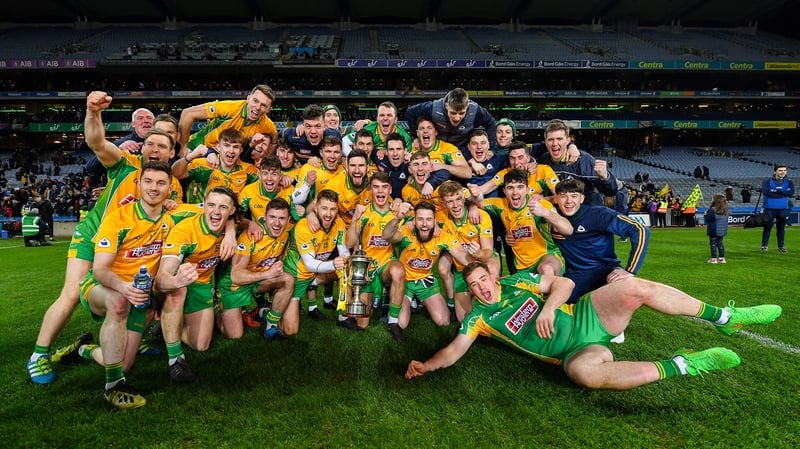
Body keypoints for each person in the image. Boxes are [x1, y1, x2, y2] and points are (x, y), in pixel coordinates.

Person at [405, 261, 782, 391]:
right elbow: (453, 351)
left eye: (483, 280)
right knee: (583, 374)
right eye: (473, 286)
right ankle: (686, 363)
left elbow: (564, 284)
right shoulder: (479, 319)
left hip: (585, 315)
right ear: (470, 292)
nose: (481, 287)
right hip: (576, 350)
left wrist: (551, 308)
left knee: (632, 287)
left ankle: (726, 319)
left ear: (492, 275)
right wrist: (427, 364)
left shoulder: (517, 282)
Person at [25, 91, 185, 385]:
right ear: (142, 147)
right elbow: (96, 142)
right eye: (149, 143)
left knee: (140, 297)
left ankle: (89, 348)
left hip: (128, 252)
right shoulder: (125, 163)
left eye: (162, 146)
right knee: (72, 293)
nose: (154, 149)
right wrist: (92, 112)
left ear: (171, 153)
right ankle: (38, 355)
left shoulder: (172, 187)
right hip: (94, 237)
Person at [70, 161, 181, 410]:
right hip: (104, 286)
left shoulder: (172, 221)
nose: (154, 187)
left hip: (139, 296)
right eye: (148, 181)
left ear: (169, 188)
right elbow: (99, 269)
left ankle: (84, 349)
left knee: (122, 363)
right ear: (139, 184)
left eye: (161, 183)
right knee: (119, 304)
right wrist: (123, 287)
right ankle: (114, 388)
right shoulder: (118, 218)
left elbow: (211, 211)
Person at [156, 187, 239, 383]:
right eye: (210, 205)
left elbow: (244, 221)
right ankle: (175, 359)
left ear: (232, 211)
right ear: (203, 205)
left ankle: (168, 326)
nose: (216, 212)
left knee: (201, 345)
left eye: (222, 207)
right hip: (175, 284)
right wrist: (177, 280)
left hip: (201, 285)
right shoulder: (185, 230)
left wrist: (230, 232)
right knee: (178, 290)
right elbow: (161, 277)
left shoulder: (231, 223)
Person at [552, 178, 650, 305]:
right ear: (556, 199)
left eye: (574, 196)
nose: (569, 201)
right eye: (563, 196)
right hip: (575, 275)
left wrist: (630, 270)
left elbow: (640, 229)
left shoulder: (599, 214)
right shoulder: (552, 219)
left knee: (623, 296)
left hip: (606, 270)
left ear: (581, 198)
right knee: (556, 303)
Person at [216, 198, 294, 340]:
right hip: (233, 285)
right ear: (264, 218)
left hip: (258, 280)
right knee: (234, 334)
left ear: (288, 219)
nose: (277, 223)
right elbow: (236, 276)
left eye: (282, 218)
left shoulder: (286, 233)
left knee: (288, 279)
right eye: (272, 217)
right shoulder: (251, 235)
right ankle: (216, 312)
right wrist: (268, 273)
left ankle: (271, 325)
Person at [382, 201, 469, 328]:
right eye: (420, 219)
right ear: (414, 220)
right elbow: (386, 236)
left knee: (444, 321)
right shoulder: (406, 232)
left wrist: (482, 268)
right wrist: (397, 218)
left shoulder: (442, 236)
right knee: (401, 323)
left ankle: (417, 300)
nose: (424, 224)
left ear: (434, 221)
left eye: (428, 219)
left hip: (425, 282)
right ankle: (393, 292)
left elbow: (462, 255)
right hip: (404, 282)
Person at [345, 172, 410, 340]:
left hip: (386, 264)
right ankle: (380, 301)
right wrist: (354, 219)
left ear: (390, 190)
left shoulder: (398, 213)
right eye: (376, 187)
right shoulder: (364, 212)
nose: (380, 191)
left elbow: (400, 238)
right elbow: (351, 243)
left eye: (384, 187)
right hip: (367, 269)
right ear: (370, 190)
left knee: (398, 271)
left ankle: (393, 321)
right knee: (362, 324)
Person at [473, 169, 573, 276]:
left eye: (520, 187)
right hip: (521, 267)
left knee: (546, 269)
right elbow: (475, 201)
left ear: (527, 189)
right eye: (510, 188)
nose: (515, 192)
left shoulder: (539, 205)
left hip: (546, 257)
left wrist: (545, 213)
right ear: (504, 191)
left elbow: (568, 230)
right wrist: (472, 207)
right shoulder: (500, 205)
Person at [282, 189, 349, 325]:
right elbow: (310, 264)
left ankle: (344, 317)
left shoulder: (339, 223)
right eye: (324, 208)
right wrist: (334, 264)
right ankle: (270, 312)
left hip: (315, 274)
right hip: (297, 277)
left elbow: (343, 250)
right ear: (316, 208)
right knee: (290, 329)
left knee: (347, 269)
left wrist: (346, 259)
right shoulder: (303, 226)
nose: (329, 214)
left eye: (333, 209)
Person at [436, 180, 500, 322]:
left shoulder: (480, 216)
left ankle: (498, 308)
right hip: (461, 268)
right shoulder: (440, 217)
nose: (456, 205)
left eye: (458, 199)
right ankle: (454, 303)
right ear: (443, 203)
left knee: (492, 267)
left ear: (464, 198)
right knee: (464, 319)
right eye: (450, 201)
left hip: (482, 260)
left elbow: (488, 251)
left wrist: (478, 254)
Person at [178, 84, 278, 158]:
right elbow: (187, 114)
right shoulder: (229, 108)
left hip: (224, 159)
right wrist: (183, 146)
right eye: (255, 101)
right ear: (248, 99)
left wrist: (265, 158)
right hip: (196, 147)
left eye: (263, 105)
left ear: (268, 110)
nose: (257, 107)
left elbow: (274, 138)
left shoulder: (267, 124)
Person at [538, 119, 618, 206]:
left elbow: (610, 191)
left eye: (559, 139)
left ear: (568, 140)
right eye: (550, 140)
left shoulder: (584, 160)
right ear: (545, 142)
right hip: (557, 214)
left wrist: (605, 177)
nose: (554, 143)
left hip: (585, 212)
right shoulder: (543, 160)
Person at [404, 87, 497, 155]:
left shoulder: (476, 110)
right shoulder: (433, 108)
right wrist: (415, 137)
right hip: (438, 148)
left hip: (462, 149)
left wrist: (491, 148)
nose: (457, 118)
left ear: (467, 106)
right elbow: (410, 112)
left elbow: (491, 123)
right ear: (446, 106)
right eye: (453, 113)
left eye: (461, 113)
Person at [172, 128, 259, 197]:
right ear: (218, 147)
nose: (231, 151)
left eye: (235, 147)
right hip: (199, 215)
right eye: (226, 145)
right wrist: (190, 156)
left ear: (241, 150)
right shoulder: (200, 164)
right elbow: (175, 174)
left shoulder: (249, 170)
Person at [760, 164, 795, 253]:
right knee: (767, 227)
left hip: (783, 209)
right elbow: (767, 192)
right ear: (775, 171)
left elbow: (791, 193)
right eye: (780, 170)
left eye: (784, 170)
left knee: (781, 228)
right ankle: (764, 246)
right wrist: (783, 193)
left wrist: (776, 191)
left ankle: (781, 247)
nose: (783, 172)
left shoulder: (789, 182)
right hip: (769, 208)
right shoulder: (767, 181)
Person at [705, 194, 729, 264]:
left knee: (713, 244)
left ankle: (713, 259)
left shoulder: (712, 210)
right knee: (720, 244)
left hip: (714, 230)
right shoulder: (726, 210)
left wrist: (705, 214)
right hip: (722, 230)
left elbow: (707, 219)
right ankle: (722, 258)